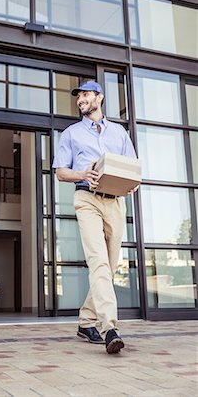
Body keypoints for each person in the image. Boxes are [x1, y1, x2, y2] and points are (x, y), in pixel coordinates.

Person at [52, 80, 138, 354]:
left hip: (115, 202)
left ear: (99, 97)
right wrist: (83, 174)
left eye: (86, 95)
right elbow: (60, 171)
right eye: (78, 96)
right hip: (86, 199)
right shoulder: (71, 134)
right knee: (98, 262)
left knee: (109, 267)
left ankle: (86, 321)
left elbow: (132, 168)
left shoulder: (119, 132)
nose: (81, 100)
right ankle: (108, 327)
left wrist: (132, 182)